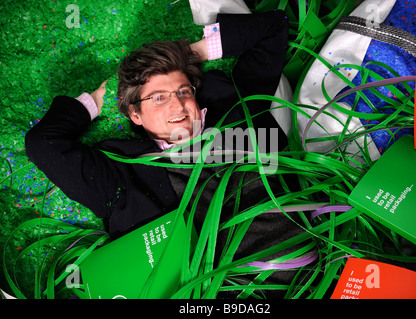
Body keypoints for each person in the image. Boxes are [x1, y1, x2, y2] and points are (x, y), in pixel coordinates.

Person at [26, 10, 304, 297]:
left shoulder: (232, 105)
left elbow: (273, 26)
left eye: (184, 92)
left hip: (316, 267)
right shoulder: (125, 174)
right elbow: (43, 144)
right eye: (159, 98)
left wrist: (190, 55)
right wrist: (91, 104)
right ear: (135, 114)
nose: (178, 106)